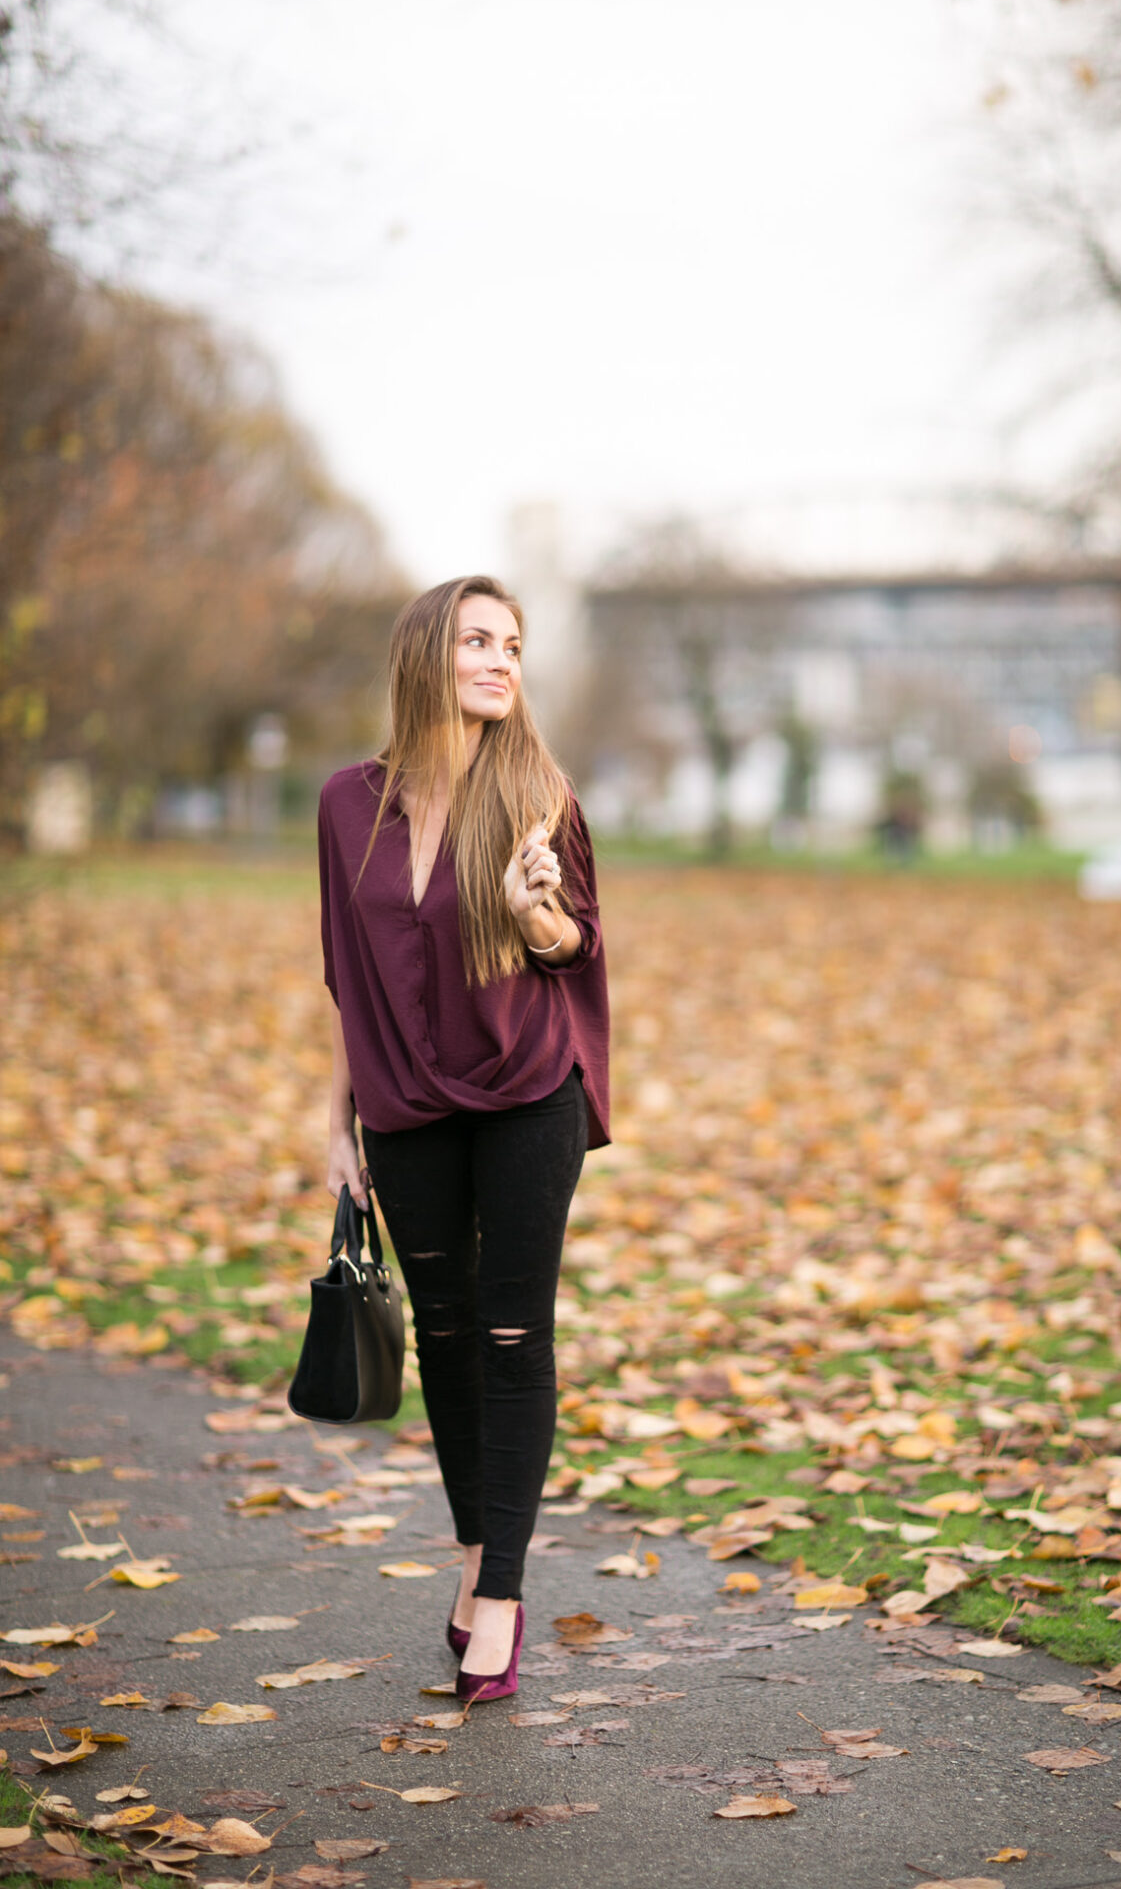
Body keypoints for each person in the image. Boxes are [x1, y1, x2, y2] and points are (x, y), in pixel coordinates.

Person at [317, 574, 609, 1703]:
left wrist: (534, 905)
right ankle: (476, 1546)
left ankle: (500, 1594)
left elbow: (568, 948)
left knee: (505, 1333)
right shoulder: (350, 803)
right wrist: (331, 1119)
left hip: (526, 1079)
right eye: (477, 640)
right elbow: (348, 971)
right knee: (440, 1329)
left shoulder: (539, 790)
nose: (500, 660)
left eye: (514, 644)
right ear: (424, 655)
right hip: (403, 1094)